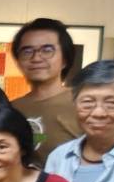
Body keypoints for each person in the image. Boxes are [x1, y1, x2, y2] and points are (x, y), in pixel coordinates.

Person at [10, 18, 84, 159]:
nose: (36, 58)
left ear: (65, 59)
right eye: (27, 51)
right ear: (18, 61)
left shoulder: (83, 103)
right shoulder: (11, 108)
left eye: (47, 50)